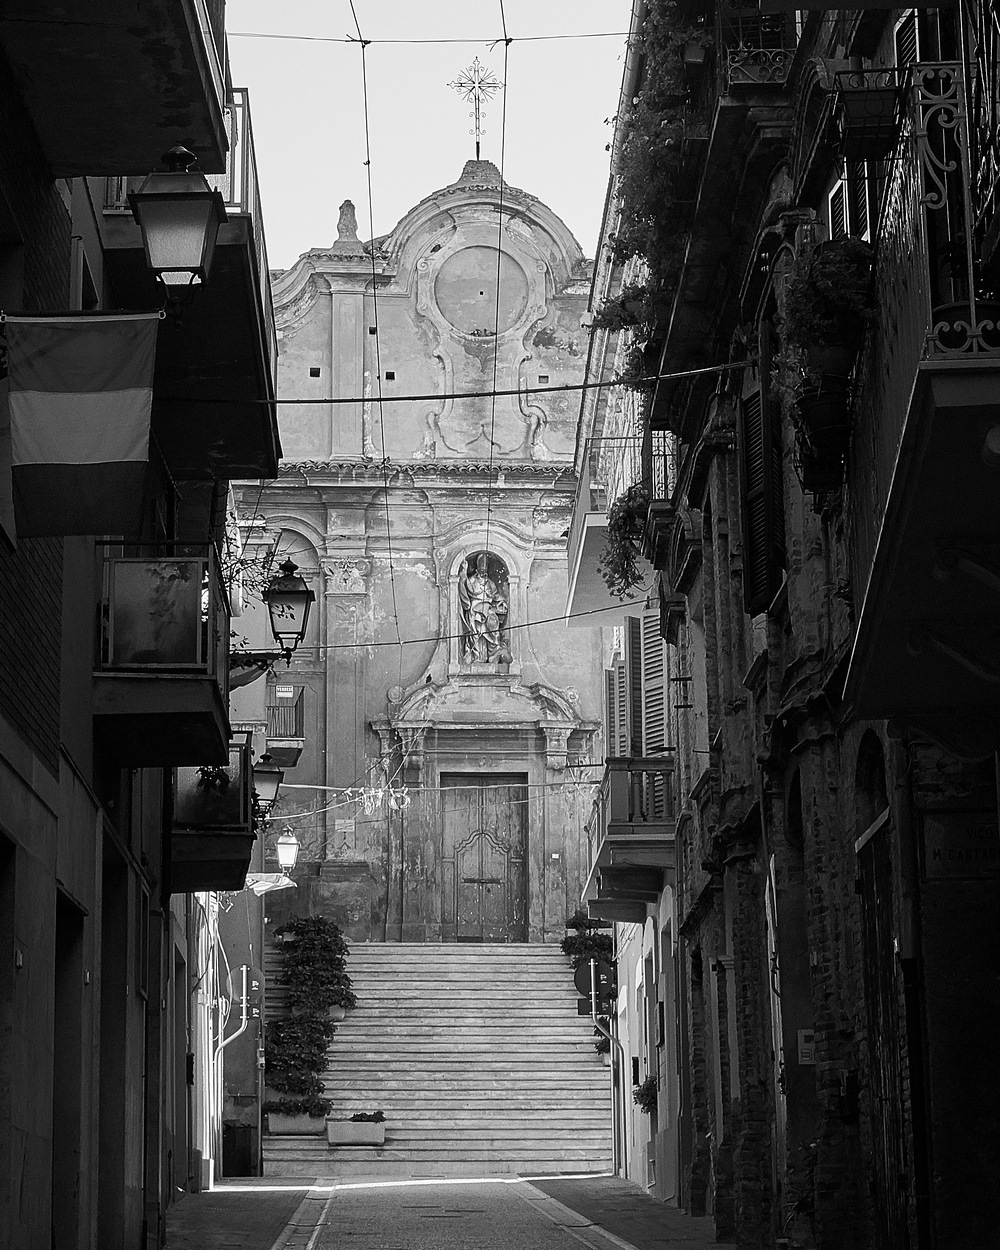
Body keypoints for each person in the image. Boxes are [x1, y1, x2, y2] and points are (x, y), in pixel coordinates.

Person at [458, 553, 509, 662]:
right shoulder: (471, 580)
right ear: (477, 567)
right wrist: (463, 573)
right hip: (474, 609)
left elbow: (496, 597)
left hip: (488, 610)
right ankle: (475, 657)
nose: (483, 570)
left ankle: (493, 653)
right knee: (475, 630)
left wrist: (502, 603)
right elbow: (464, 589)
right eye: (481, 567)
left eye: (485, 567)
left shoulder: (490, 583)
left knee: (493, 623)